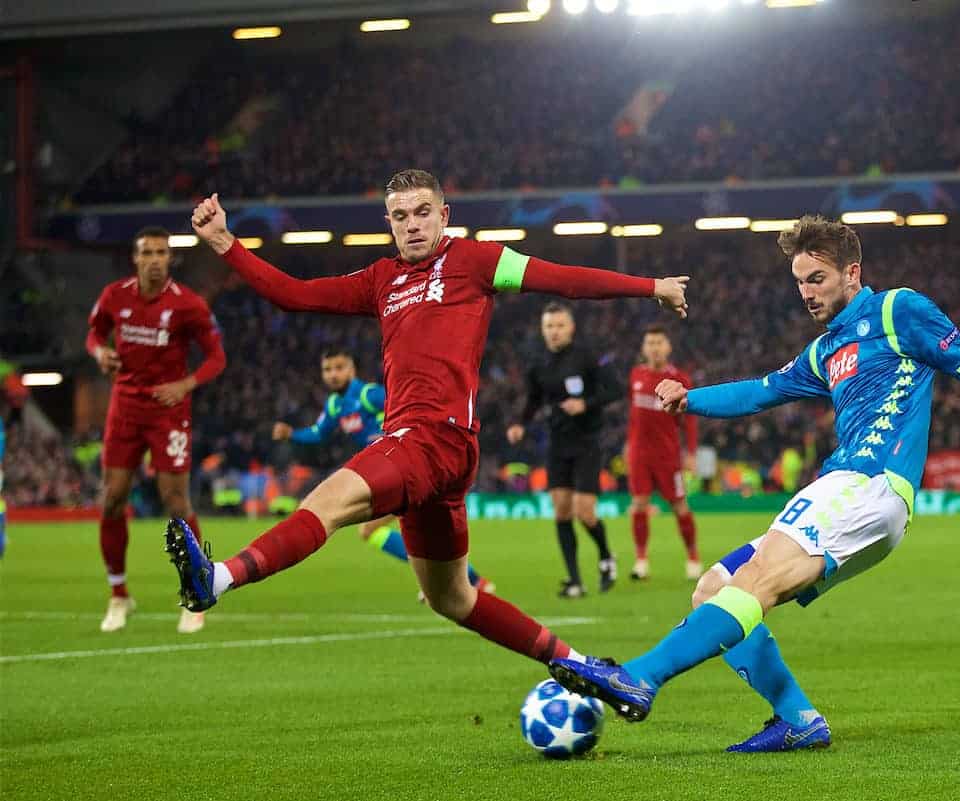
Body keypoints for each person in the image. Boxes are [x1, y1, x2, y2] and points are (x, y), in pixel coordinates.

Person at [550, 214, 960, 751]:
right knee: (713, 588)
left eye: (817, 279)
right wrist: (691, 399)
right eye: (799, 281)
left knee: (753, 581)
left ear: (852, 272)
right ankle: (797, 719)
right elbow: (761, 391)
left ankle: (639, 677)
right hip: (853, 494)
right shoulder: (824, 350)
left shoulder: (899, 310)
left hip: (867, 483)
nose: (805, 292)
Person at [168, 169, 688, 670]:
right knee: (453, 598)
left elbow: (563, 280)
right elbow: (295, 295)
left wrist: (651, 286)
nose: (412, 224)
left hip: (431, 439)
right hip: (436, 457)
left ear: (444, 214)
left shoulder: (475, 261)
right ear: (389, 223)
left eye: (422, 213)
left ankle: (217, 579)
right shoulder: (380, 280)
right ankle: (581, 664)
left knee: (325, 503)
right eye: (400, 216)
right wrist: (223, 242)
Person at [87, 226, 226, 634]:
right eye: (146, 252)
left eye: (161, 253)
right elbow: (93, 333)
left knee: (176, 504)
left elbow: (217, 358)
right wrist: (101, 354)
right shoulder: (115, 296)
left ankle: (197, 593)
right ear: (135, 257)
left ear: (170, 259)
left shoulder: (189, 306)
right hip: (125, 407)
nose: (153, 259)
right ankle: (119, 595)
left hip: (169, 412)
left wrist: (185, 384)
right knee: (112, 499)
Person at [272, 347, 492, 598]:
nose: (333, 374)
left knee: (377, 530)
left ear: (351, 369)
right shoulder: (335, 405)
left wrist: (390, 435)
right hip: (387, 471)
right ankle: (467, 581)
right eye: (327, 369)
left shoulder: (369, 395)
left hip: (405, 465)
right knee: (417, 528)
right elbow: (318, 433)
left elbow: (407, 408)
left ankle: (453, 581)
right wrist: (292, 434)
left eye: (339, 367)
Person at [506, 304, 621, 598]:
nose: (554, 332)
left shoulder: (587, 357)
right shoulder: (538, 363)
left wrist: (586, 404)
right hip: (557, 442)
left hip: (587, 440)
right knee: (561, 510)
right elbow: (533, 399)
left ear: (570, 328)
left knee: (584, 511)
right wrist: (520, 423)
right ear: (543, 330)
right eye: (549, 327)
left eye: (559, 326)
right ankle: (575, 581)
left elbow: (615, 390)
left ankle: (606, 556)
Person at [625, 324, 700, 580]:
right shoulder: (635, 375)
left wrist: (691, 453)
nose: (654, 348)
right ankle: (641, 561)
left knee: (680, 505)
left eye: (659, 343)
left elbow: (689, 420)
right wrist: (629, 446)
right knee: (639, 504)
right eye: (650, 343)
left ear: (667, 347)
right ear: (644, 348)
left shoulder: (680, 379)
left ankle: (692, 556)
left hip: (668, 455)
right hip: (639, 454)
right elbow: (633, 417)